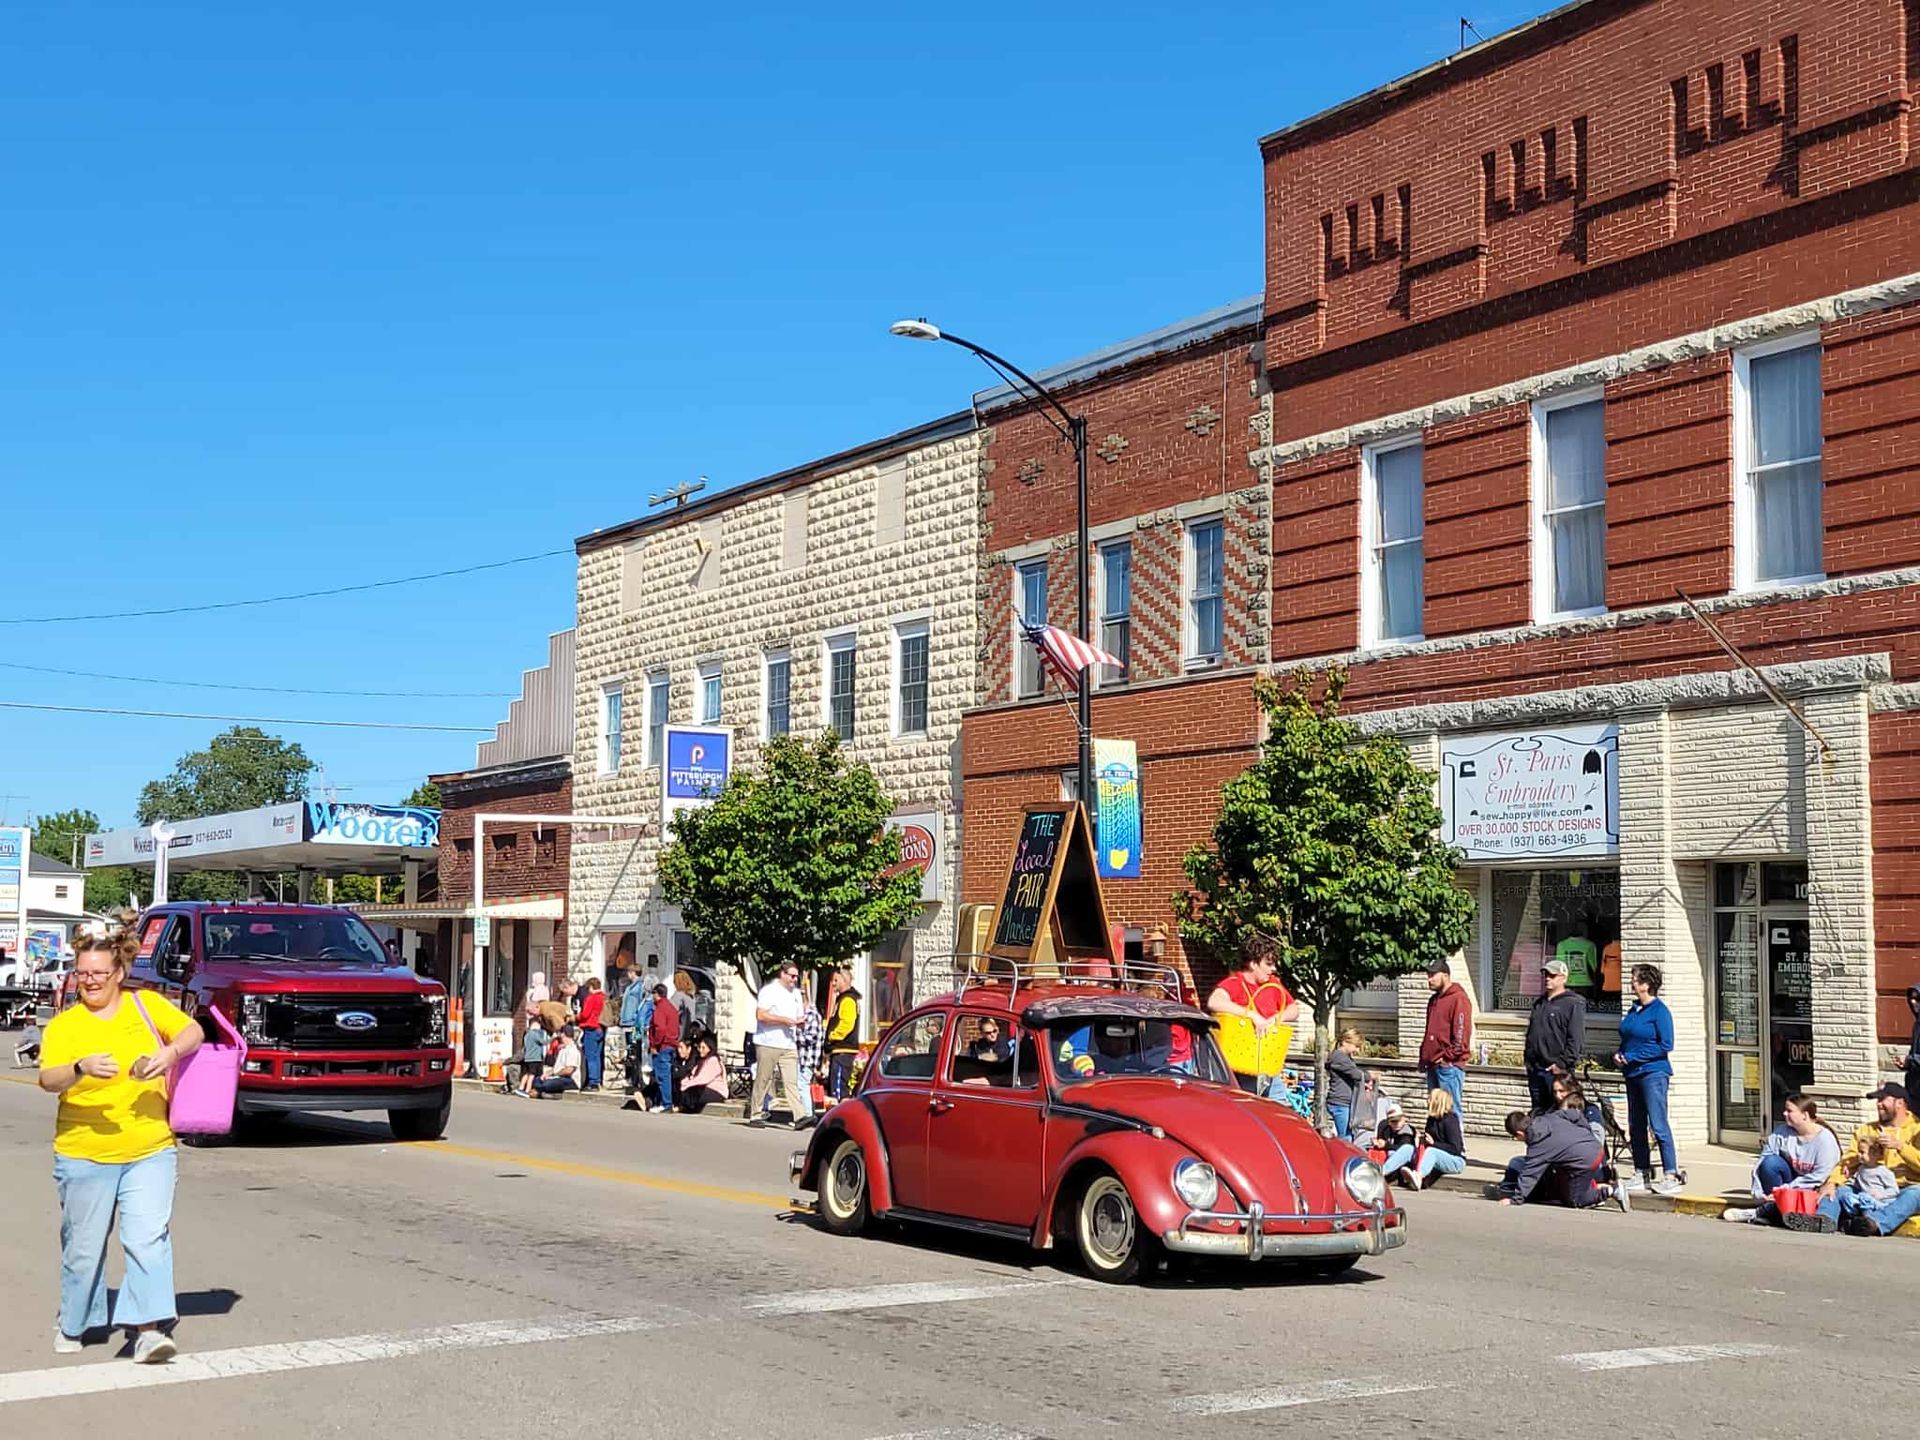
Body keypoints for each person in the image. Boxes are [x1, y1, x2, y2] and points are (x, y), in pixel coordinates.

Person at [37, 921, 207, 1362]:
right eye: (82, 973)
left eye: (98, 973)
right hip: (83, 1152)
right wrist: (80, 1067)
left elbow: (194, 1033)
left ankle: (148, 1328)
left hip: (150, 1148)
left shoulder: (146, 1006)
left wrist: (168, 1054)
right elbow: (47, 1079)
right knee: (83, 1247)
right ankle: (74, 1321)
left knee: (147, 1237)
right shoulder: (66, 1026)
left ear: (118, 973)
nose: (89, 981)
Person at [1807, 1082, 1920, 1236]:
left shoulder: (1917, 1129)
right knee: (1840, 1190)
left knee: (1915, 1193)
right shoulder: (1866, 1130)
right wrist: (1832, 1182)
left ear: (1900, 1103)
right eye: (1877, 1101)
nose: (1878, 1105)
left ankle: (1874, 1223)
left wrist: (1901, 1147)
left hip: (1903, 1190)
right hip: (1868, 1189)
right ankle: (1824, 1220)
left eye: (1882, 1100)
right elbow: (1847, 1162)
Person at [1723, 1093, 1843, 1226]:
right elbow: (1763, 1160)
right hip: (1788, 1185)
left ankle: (1762, 1213)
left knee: (1827, 1196)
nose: (1784, 1113)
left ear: (1805, 1115)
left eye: (1790, 1111)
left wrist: (1786, 1189)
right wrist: (1758, 1192)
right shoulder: (1781, 1132)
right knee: (1770, 1162)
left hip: (1814, 1187)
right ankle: (1775, 1208)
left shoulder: (1825, 1140)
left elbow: (1820, 1176)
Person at [1614, 963, 1682, 1196]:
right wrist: (1620, 1053)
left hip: (1653, 1073)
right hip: (1632, 1073)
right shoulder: (1634, 1010)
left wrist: (1632, 1056)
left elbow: (1666, 1044)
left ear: (1646, 984)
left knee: (1658, 1124)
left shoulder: (1660, 1011)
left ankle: (1671, 1173)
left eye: (1634, 980)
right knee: (1636, 1124)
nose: (1631, 983)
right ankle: (1641, 1171)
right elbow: (1628, 1037)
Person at [1497, 1099, 1628, 1211]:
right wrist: (1585, 1132)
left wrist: (1516, 1200)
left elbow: (1529, 1175)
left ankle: (1612, 1191)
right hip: (1594, 1147)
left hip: (1585, 1161)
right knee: (1563, 1186)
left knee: (1575, 1200)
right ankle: (1590, 1188)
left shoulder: (1538, 1146)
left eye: (1515, 1137)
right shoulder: (1549, 1117)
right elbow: (1575, 1115)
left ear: (1519, 1133)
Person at [1207, 947, 1301, 1093]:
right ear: (1253, 964)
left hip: (1268, 1062)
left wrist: (1274, 1019)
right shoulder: (1235, 983)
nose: (1273, 969)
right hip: (1242, 1065)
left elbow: (1293, 1009)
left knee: (1278, 1106)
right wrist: (1251, 1015)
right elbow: (1214, 1001)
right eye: (1268, 964)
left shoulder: (1273, 983)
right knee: (1247, 1104)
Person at [747, 962, 807, 1128]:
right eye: (792, 976)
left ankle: (799, 1115)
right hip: (768, 1042)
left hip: (789, 1042)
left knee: (791, 1081)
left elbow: (797, 1016)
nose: (794, 980)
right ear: (782, 974)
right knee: (764, 1078)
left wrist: (799, 1023)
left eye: (796, 976)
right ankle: (756, 1113)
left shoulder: (796, 994)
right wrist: (784, 1020)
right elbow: (761, 1015)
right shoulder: (769, 991)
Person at [1523, 957, 1587, 1113]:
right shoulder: (1539, 1003)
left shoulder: (1573, 1003)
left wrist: (1562, 1064)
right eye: (1545, 975)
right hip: (1536, 1069)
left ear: (1563, 977)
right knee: (1538, 1112)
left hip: (1557, 1071)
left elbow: (1576, 1039)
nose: (1547, 979)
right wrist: (1528, 1060)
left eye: (1552, 975)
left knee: (1559, 1112)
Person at [1381, 1089, 1468, 1191]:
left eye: (1430, 1098)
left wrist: (1433, 1144)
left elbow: (1455, 1148)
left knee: (1432, 1152)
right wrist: (1421, 1140)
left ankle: (1418, 1176)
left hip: (1455, 1160)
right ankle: (1381, 1172)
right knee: (1408, 1148)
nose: (1427, 1100)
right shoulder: (1431, 1119)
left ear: (1437, 1101)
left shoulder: (1450, 1120)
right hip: (1432, 1154)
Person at [1420, 958, 1472, 1118]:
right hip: (1432, 1065)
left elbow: (1461, 1035)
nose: (1429, 979)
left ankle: (1456, 1143)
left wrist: (1446, 1058)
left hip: (1448, 1067)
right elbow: (1429, 1032)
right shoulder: (1434, 1000)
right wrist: (1424, 1058)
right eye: (1428, 975)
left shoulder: (1458, 999)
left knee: (1451, 1110)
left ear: (1445, 975)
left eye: (1433, 975)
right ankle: (1438, 1142)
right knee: (1434, 1111)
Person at [824, 966, 862, 1100]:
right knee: (837, 1086)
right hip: (839, 1050)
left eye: (836, 980)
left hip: (843, 1050)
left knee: (840, 1089)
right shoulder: (842, 999)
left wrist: (831, 1036)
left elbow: (847, 1024)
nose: (833, 983)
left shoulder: (848, 1000)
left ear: (844, 980)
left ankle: (842, 1117)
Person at [1324, 1028, 1366, 1141]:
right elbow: (1356, 1074)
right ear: (1345, 1042)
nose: (1357, 1050)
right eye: (1356, 1046)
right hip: (1339, 1102)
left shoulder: (1345, 1058)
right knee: (1345, 1137)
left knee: (1348, 1134)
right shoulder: (1339, 1057)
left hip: (1344, 1102)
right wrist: (1370, 1076)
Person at [646, 983, 680, 1113]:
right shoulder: (671, 1007)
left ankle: (666, 1104)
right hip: (671, 1044)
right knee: (665, 1075)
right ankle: (662, 1102)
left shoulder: (660, 1008)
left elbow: (660, 1028)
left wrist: (655, 1044)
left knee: (662, 1076)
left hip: (663, 1046)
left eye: (653, 994)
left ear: (657, 994)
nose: (652, 997)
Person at [676, 1035, 729, 1114]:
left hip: (717, 1091)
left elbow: (703, 1079)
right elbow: (693, 1074)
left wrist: (686, 1085)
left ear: (710, 1048)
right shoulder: (702, 1061)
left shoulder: (713, 1060)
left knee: (694, 1091)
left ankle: (683, 1107)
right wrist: (684, 1082)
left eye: (703, 1048)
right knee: (685, 1089)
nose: (700, 1050)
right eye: (699, 1047)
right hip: (705, 1088)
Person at [794, 986, 824, 1123]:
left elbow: (810, 1038)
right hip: (802, 1057)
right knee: (801, 1084)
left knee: (802, 1084)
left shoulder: (812, 1015)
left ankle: (807, 1114)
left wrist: (796, 1033)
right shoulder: (803, 1015)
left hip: (808, 1058)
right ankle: (808, 1111)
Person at [618, 974, 651, 1096]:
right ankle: (635, 1081)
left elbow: (643, 1019)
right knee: (634, 1054)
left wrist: (639, 1033)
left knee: (642, 1058)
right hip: (637, 1030)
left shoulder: (650, 1001)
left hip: (643, 1031)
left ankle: (641, 1082)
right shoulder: (645, 1000)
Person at [1374, 1098, 1419, 1184]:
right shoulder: (1385, 1129)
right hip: (1391, 1162)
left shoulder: (1407, 1130)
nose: (1397, 1124)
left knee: (1403, 1149)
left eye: (1399, 1120)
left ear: (1404, 1119)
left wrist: (1386, 1145)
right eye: (1393, 1121)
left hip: (1408, 1162)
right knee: (1390, 1152)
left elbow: (1403, 1148)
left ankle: (1381, 1171)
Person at [575, 977, 606, 1091]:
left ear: (591, 987)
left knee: (590, 1056)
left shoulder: (591, 998)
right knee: (597, 1056)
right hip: (600, 1028)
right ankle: (598, 1080)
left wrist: (577, 1016)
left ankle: (592, 1082)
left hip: (591, 1028)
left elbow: (585, 1014)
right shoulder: (603, 997)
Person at [533, 1025, 581, 1098]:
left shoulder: (573, 1050)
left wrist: (555, 1074)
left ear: (563, 1034)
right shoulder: (562, 1049)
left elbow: (569, 1070)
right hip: (558, 1076)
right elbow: (556, 1067)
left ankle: (540, 1092)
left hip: (570, 1080)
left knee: (547, 1084)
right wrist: (547, 1074)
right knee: (537, 1080)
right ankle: (541, 1092)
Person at [514, 1016, 547, 1097]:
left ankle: (521, 1088)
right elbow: (543, 1042)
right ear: (535, 1024)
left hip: (527, 1057)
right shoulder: (534, 1034)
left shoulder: (527, 1034)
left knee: (526, 1073)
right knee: (531, 1075)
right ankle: (527, 1090)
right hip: (534, 1058)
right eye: (539, 1024)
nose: (540, 1027)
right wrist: (553, 1038)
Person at [1903, 984, 1920, 1114]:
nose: (1913, 1002)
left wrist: (1911, 1060)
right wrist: (1905, 1063)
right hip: (1914, 1091)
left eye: (1918, 998)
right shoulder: (1917, 1025)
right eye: (1911, 998)